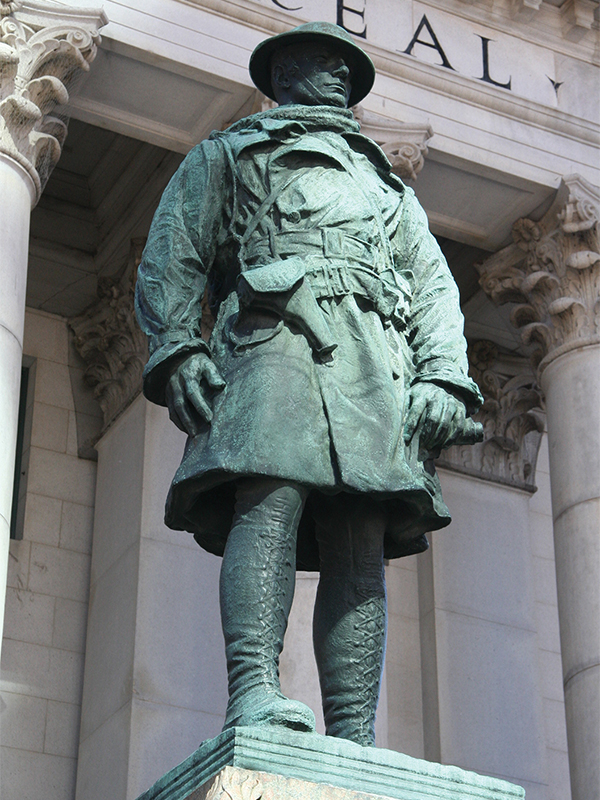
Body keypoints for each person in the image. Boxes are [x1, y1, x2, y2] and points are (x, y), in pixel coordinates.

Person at [135, 21, 483, 747]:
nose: (331, 74)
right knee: (268, 503)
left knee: (359, 534)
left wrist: (445, 375)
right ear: (280, 74)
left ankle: (354, 731)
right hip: (273, 341)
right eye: (315, 62)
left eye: (342, 66)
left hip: (371, 362)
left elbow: (432, 289)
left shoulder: (387, 187)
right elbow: (176, 252)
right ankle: (254, 691)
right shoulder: (227, 154)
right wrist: (177, 346)